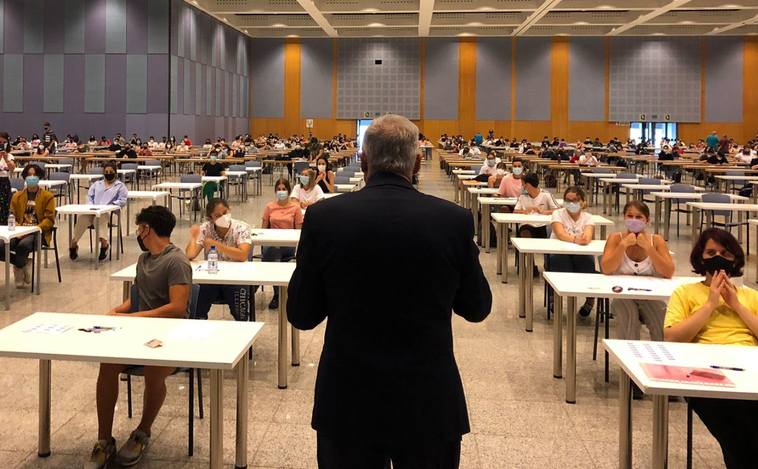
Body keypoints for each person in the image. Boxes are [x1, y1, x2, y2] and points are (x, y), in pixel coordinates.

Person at [287, 115, 491, 469]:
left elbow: (302, 315)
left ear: (363, 162)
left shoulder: (324, 217)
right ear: (417, 162)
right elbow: (477, 307)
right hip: (427, 396)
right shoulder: (453, 220)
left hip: (348, 395)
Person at [83, 205, 191, 469]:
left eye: (139, 229)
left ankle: (142, 432)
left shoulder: (177, 261)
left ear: (146, 229)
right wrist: (118, 310)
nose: (138, 234)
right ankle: (104, 440)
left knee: (155, 370)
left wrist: (130, 318)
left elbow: (177, 309)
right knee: (107, 365)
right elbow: (137, 297)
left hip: (171, 337)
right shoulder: (144, 261)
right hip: (138, 333)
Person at [664, 228, 758, 469]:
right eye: (711, 252)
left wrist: (735, 304)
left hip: (748, 366)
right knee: (738, 427)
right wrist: (710, 304)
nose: (718, 257)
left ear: (734, 258)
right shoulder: (685, 292)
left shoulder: (749, 296)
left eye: (724, 253)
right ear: (700, 257)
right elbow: (672, 338)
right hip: (704, 372)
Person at [601, 201, 675, 396]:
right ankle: (631, 375)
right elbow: (606, 268)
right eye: (630, 216)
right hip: (623, 296)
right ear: (624, 218)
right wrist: (623, 245)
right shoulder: (615, 238)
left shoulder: (656, 241)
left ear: (647, 220)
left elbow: (668, 272)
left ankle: (663, 372)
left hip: (650, 296)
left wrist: (649, 249)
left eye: (639, 217)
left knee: (663, 320)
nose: (634, 220)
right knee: (629, 319)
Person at [186, 198, 252, 321]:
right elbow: (190, 255)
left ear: (229, 210)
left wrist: (216, 245)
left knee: (239, 302)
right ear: (211, 219)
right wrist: (193, 238)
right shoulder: (206, 229)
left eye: (225, 212)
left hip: (236, 278)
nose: (223, 217)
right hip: (212, 277)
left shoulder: (241, 227)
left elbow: (243, 255)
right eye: (217, 215)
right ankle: (197, 325)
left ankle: (243, 326)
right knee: (197, 293)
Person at [0, 165, 55, 289]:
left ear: (39, 177)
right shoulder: (17, 196)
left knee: (23, 246)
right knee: (0, 246)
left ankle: (19, 267)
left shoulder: (47, 196)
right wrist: (19, 229)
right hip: (18, 231)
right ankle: (22, 264)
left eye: (34, 175)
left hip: (38, 232)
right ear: (24, 177)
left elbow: (49, 220)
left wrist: (34, 229)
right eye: (28, 175)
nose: (31, 178)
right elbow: (11, 215)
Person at [546, 186, 596, 317]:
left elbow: (588, 234)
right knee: (559, 263)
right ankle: (554, 300)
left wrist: (585, 238)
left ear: (582, 201)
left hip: (579, 252)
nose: (571, 203)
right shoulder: (558, 214)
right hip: (559, 251)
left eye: (575, 200)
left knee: (587, 262)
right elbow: (560, 233)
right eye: (568, 200)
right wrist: (575, 239)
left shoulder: (588, 217)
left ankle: (589, 301)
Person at [68, 162, 127, 261]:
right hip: (94, 211)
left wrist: (112, 205)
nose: (108, 173)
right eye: (106, 172)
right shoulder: (97, 184)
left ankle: (104, 244)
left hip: (110, 214)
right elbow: (89, 197)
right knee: (83, 219)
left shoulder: (120, 186)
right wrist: (91, 207)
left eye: (111, 172)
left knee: (101, 218)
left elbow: (123, 200)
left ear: (115, 172)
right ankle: (73, 244)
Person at [261, 178, 303, 309]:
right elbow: (263, 230)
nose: (281, 192)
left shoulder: (295, 208)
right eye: (279, 189)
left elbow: (299, 232)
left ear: (289, 191)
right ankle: (277, 294)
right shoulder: (269, 207)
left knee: (273, 254)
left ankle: (272, 292)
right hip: (271, 243)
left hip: (288, 245)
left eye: (284, 189)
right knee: (273, 251)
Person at [513, 172, 558, 276]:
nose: (522, 186)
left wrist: (544, 212)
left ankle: (549, 264)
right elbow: (515, 211)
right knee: (524, 232)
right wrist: (526, 211)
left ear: (528, 185)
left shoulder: (546, 195)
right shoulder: (522, 197)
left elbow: (557, 210)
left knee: (550, 233)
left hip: (543, 224)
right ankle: (530, 264)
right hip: (528, 224)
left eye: (523, 184)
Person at [0, 132, 16, 225]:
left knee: (5, 205)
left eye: (4, 142)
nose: (2, 143)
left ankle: (4, 223)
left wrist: (6, 159)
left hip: (4, 182)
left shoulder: (10, 156)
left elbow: (12, 169)